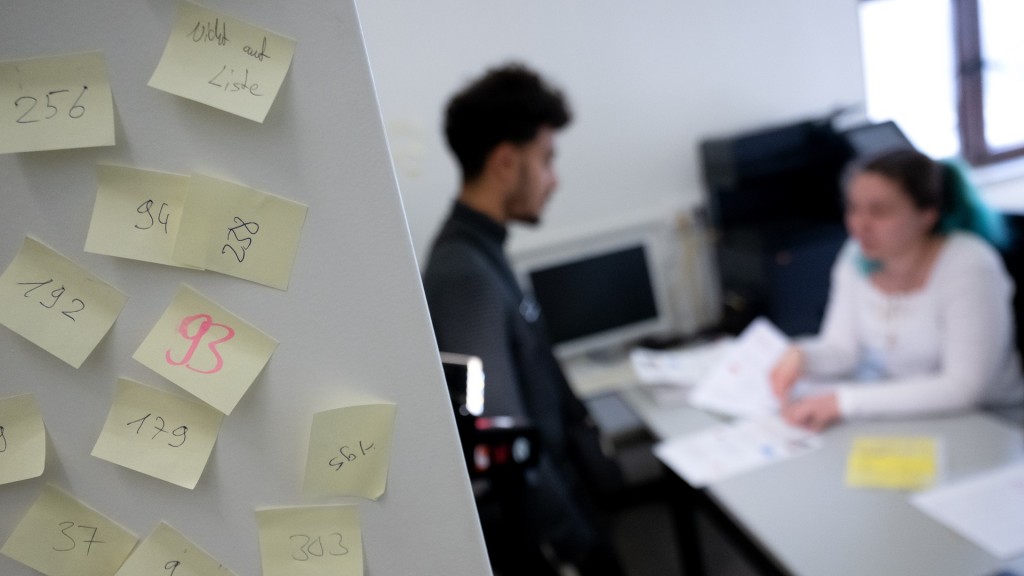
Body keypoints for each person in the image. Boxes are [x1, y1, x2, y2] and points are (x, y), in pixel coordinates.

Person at [422, 63, 626, 576]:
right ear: (507, 162)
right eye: (547, 160)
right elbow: (503, 440)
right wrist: (575, 546)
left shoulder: (479, 251)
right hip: (545, 545)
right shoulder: (463, 274)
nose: (553, 179)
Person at [770, 148, 1024, 431]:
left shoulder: (970, 264)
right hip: (909, 419)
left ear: (927, 215)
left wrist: (842, 402)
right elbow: (842, 350)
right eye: (853, 208)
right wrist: (803, 356)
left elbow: (964, 387)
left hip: (990, 424)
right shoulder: (856, 255)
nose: (859, 225)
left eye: (879, 211)